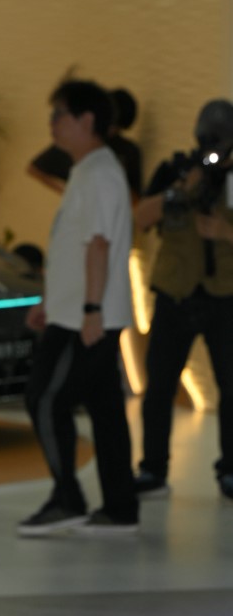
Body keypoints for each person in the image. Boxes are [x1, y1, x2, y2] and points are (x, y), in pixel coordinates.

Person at [19, 79, 138, 536]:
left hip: (84, 319)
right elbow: (75, 246)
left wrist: (90, 310)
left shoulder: (100, 173)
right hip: (75, 311)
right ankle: (120, 508)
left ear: (86, 120)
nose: (52, 124)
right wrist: (50, 301)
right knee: (105, 409)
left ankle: (67, 499)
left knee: (45, 399)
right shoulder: (89, 170)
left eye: (59, 115)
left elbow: (99, 245)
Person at [132, 99, 233, 500]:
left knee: (231, 387)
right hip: (174, 294)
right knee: (159, 386)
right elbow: (139, 219)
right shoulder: (174, 170)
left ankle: (230, 471)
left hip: (225, 296)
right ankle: (152, 470)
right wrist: (178, 191)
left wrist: (225, 231)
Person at [28, 85, 142, 202]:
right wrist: (66, 192)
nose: (111, 129)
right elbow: (35, 169)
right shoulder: (81, 142)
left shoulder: (129, 150)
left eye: (117, 126)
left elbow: (136, 198)